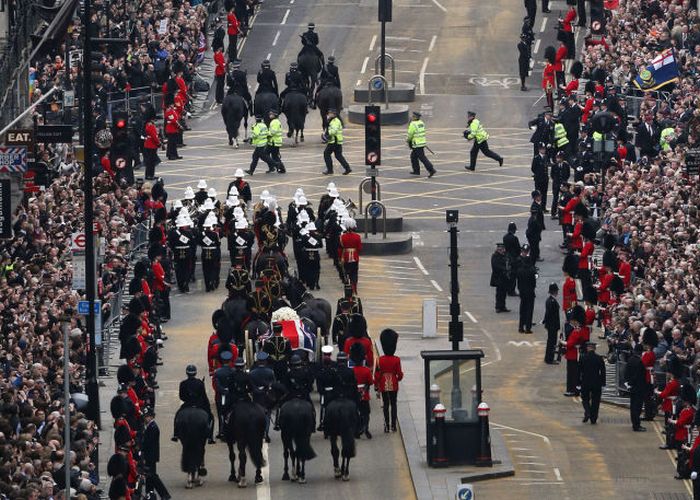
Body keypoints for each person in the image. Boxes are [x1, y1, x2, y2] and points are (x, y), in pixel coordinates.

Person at [174, 365, 215, 443]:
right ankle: (210, 437)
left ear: (187, 373)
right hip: (199, 404)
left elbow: (181, 397)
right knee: (211, 417)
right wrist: (208, 407)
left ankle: (175, 434)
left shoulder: (183, 383)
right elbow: (203, 396)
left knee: (177, 416)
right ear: (195, 373)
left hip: (187, 404)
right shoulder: (200, 383)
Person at [140, 406, 171, 499]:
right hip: (150, 455)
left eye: (147, 416)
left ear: (152, 417)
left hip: (150, 456)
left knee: (152, 476)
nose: (145, 418)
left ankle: (164, 494)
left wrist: (143, 454)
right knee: (149, 476)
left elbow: (148, 443)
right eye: (145, 416)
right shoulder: (150, 426)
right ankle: (150, 493)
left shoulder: (153, 427)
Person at [375, 329, 402, 433]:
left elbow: (377, 375)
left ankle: (386, 426)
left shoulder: (379, 360)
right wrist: (398, 377)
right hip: (394, 384)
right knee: (394, 404)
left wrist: (376, 385)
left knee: (386, 405)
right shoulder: (396, 359)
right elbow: (399, 375)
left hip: (383, 384)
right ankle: (394, 426)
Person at [561, 305, 586, 396]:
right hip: (575, 353)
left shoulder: (576, 331)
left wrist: (562, 342)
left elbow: (570, 343)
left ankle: (572, 390)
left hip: (573, 354)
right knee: (575, 373)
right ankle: (575, 389)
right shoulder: (580, 329)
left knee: (572, 374)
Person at [578, 341, 605, 424]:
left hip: (585, 381)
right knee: (596, 401)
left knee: (585, 398)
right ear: (595, 348)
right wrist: (603, 383)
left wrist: (578, 383)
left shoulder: (583, 357)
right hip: (596, 381)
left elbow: (579, 371)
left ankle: (587, 411)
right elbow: (603, 371)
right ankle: (593, 418)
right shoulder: (599, 358)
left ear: (588, 348)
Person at [350, 343, 373, 439]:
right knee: (366, 412)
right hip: (364, 394)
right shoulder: (366, 370)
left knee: (356, 412)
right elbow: (371, 382)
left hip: (354, 394)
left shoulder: (351, 370)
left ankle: (357, 429)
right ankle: (366, 428)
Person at [323, 109, 352, 175]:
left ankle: (330, 170)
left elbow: (334, 131)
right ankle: (347, 168)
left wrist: (327, 134)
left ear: (334, 114)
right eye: (329, 113)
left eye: (330, 113)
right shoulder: (331, 120)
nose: (329, 114)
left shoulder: (335, 121)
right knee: (338, 155)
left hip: (334, 141)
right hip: (336, 141)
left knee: (326, 154)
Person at [625, 345, 647, 432]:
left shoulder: (630, 360)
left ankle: (634, 423)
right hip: (639, 387)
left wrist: (628, 383)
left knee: (633, 405)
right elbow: (639, 376)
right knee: (637, 407)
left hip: (632, 387)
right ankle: (636, 425)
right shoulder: (640, 362)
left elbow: (626, 373)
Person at [407, 111, 436, 177]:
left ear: (415, 117)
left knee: (422, 158)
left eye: (413, 116)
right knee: (413, 157)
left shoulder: (413, 124)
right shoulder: (421, 123)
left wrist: (408, 140)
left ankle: (431, 170)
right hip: (422, 142)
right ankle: (416, 171)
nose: (412, 117)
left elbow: (410, 134)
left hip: (416, 144)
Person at [338, 218, 362, 293]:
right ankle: (354, 287)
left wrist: (340, 257)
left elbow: (340, 249)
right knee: (354, 273)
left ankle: (348, 287)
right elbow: (359, 248)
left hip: (345, 257)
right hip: (354, 257)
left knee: (346, 272)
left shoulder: (342, 237)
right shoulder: (357, 236)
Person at [517, 247, 537, 333]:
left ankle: (521, 327)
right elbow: (535, 280)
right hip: (530, 291)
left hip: (522, 291)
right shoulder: (532, 271)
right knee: (529, 310)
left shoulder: (519, 270)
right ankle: (528, 328)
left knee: (522, 309)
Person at [542, 283, 560, 364]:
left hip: (551, 325)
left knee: (550, 342)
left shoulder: (549, 300)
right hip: (553, 325)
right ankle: (550, 359)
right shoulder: (552, 301)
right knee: (552, 342)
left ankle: (548, 358)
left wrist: (545, 321)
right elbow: (549, 314)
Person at [490, 242, 510, 313]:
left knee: (504, 293)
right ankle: (498, 307)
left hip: (504, 277)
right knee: (499, 293)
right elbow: (495, 266)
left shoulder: (504, 255)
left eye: (503, 249)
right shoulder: (495, 256)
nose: (502, 250)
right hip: (498, 277)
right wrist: (504, 269)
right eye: (501, 249)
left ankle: (503, 306)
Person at [503, 222, 520, 296]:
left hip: (507, 257)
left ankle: (508, 289)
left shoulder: (505, 237)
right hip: (513, 258)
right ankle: (512, 290)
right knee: (513, 275)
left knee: (508, 274)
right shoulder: (514, 238)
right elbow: (518, 248)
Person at [143, 113, 161, 180]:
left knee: (149, 161)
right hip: (151, 145)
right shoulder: (151, 126)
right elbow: (154, 136)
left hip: (148, 144)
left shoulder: (148, 125)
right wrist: (159, 143)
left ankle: (149, 175)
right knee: (151, 162)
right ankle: (150, 175)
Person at [531, 143, 549, 208]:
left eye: (544, 149)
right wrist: (538, 174)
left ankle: (543, 207)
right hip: (538, 179)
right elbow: (533, 168)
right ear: (539, 150)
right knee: (538, 193)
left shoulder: (546, 157)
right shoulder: (536, 158)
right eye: (542, 149)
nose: (543, 150)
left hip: (545, 179)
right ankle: (537, 206)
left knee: (544, 193)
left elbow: (546, 166)